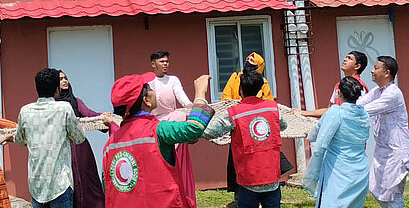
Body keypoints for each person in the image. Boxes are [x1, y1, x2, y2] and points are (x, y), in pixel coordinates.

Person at [102, 72, 214, 208]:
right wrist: (200, 94)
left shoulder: (109, 145)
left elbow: (107, 188)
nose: (153, 91)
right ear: (146, 100)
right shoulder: (158, 130)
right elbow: (194, 128)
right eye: (149, 88)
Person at [203, 70, 287, 208]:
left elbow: (210, 132)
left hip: (248, 179)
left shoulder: (233, 113)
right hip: (272, 177)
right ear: (261, 88)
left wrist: (196, 118)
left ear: (240, 89)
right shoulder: (273, 108)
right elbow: (283, 126)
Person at [14, 68, 87, 208]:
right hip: (60, 184)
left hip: (36, 184)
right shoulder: (64, 108)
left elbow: (19, 139)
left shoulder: (25, 111)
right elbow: (79, 137)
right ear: (56, 89)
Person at [302, 77, 370, 208]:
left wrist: (309, 134)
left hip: (337, 169)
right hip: (360, 169)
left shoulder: (336, 112)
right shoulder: (364, 114)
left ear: (339, 93)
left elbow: (318, 132)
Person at [357, 56, 409, 208]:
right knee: (377, 189)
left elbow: (363, 110)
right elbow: (358, 104)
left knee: (392, 194)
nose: (371, 71)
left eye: (376, 68)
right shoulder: (377, 91)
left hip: (396, 151)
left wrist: (341, 112)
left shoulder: (393, 94)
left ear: (387, 73)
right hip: (382, 150)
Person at [220, 52, 274, 206]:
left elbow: (267, 100)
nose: (248, 62)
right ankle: (239, 195)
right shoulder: (235, 77)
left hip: (258, 127)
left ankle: (264, 192)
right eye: (248, 59)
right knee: (237, 161)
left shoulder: (263, 82)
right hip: (239, 124)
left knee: (260, 160)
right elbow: (226, 98)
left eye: (252, 60)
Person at [147, 51, 196, 206]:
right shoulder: (148, 82)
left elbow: (182, 98)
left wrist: (191, 106)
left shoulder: (173, 80)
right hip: (156, 124)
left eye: (167, 61)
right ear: (153, 64)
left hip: (173, 121)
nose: (165, 64)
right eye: (162, 61)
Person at [55, 70, 106, 208]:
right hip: (60, 148)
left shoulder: (76, 101)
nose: (64, 81)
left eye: (65, 78)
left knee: (86, 181)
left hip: (79, 147)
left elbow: (88, 114)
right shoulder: (52, 106)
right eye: (60, 79)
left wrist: (104, 117)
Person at [299, 51, 368, 118]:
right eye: (346, 57)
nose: (344, 59)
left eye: (349, 58)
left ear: (357, 66)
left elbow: (359, 111)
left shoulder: (359, 86)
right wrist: (303, 113)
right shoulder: (338, 85)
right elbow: (330, 110)